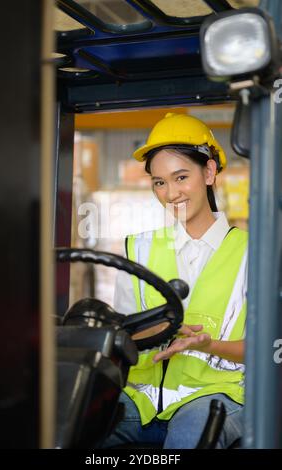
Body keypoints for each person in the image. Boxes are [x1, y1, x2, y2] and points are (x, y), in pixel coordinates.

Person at [103, 112, 247, 449]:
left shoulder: (253, 253)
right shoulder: (136, 247)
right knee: (81, 426)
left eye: (181, 177)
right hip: (140, 398)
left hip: (214, 394)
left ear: (209, 171)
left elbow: (265, 349)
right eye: (159, 182)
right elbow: (124, 331)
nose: (170, 193)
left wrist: (206, 344)